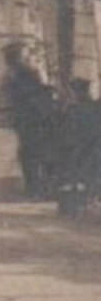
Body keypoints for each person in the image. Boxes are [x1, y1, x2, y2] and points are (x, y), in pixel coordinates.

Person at [0, 42, 58, 198]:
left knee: (30, 153)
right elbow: (33, 95)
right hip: (33, 119)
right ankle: (38, 188)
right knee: (37, 153)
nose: (29, 57)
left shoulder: (16, 74)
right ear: (18, 58)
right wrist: (47, 91)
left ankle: (36, 187)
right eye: (26, 55)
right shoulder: (22, 74)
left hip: (27, 118)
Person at [57, 79, 101, 217]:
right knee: (85, 175)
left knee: (78, 175)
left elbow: (67, 130)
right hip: (87, 146)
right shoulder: (92, 106)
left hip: (82, 147)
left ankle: (78, 204)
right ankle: (83, 202)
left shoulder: (76, 108)